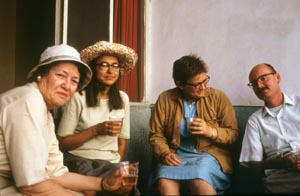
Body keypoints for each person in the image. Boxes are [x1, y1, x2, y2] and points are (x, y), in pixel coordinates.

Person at [0, 44, 128, 196]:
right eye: (60, 75)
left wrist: (103, 183)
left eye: (74, 81)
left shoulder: (44, 111)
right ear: (41, 74)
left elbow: (56, 173)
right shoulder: (29, 100)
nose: (67, 86)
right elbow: (30, 185)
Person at [148, 54, 239, 195]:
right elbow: (156, 134)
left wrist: (211, 131)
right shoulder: (166, 98)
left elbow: (233, 133)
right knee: (165, 182)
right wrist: (164, 153)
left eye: (205, 80)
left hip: (208, 155)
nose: (203, 87)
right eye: (197, 84)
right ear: (180, 84)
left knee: (199, 180)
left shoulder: (218, 97)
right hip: (175, 154)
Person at [56, 41, 138, 196]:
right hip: (78, 159)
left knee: (126, 186)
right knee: (89, 189)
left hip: (109, 162)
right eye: (104, 65)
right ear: (94, 69)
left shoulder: (122, 99)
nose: (110, 71)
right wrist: (96, 129)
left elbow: (122, 141)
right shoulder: (78, 98)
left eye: (115, 66)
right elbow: (62, 143)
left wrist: (115, 165)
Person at [239, 63, 300, 194]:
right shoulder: (255, 121)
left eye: (263, 78)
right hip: (281, 179)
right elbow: (252, 166)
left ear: (277, 77)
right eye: (254, 83)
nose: (259, 85)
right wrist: (283, 162)